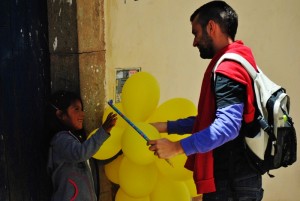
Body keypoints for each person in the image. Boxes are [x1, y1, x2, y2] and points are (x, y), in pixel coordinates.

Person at [147, 1, 264, 200]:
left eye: (196, 33)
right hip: (238, 180)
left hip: (232, 182)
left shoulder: (228, 69)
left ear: (211, 27)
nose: (194, 42)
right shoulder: (240, 59)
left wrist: (176, 147)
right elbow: (209, 121)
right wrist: (164, 126)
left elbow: (227, 127)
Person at [45, 90, 117, 201]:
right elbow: (81, 153)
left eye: (82, 109)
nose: (82, 114)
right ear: (60, 114)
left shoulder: (73, 139)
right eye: (76, 109)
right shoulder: (60, 140)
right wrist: (103, 131)